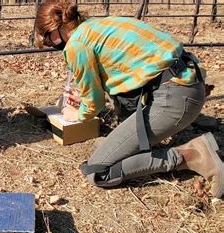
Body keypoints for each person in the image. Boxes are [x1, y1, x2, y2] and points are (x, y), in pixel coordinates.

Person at [34, 0, 223, 197]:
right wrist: (86, 99)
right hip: (186, 84)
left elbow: (94, 104)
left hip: (174, 97)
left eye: (48, 39)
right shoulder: (97, 26)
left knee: (98, 171)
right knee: (115, 145)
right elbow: (125, 73)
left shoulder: (76, 45)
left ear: (54, 28)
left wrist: (78, 114)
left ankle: (194, 155)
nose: (50, 44)